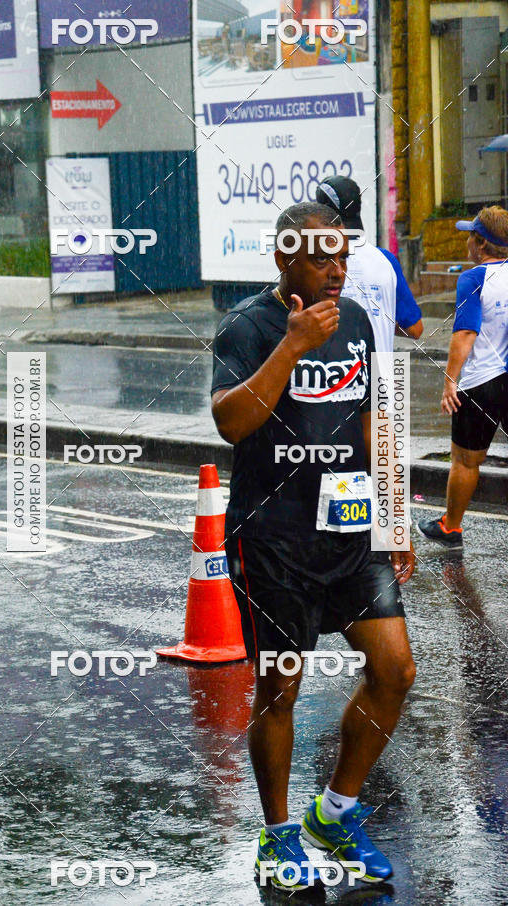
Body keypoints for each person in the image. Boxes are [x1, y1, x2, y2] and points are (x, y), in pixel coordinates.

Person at [211, 202, 416, 891]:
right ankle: (277, 839)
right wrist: (293, 345)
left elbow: (372, 419)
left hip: (351, 530)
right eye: (322, 257)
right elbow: (231, 423)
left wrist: (392, 512)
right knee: (280, 689)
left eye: (342, 255)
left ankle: (336, 811)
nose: (338, 269)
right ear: (284, 260)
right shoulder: (247, 326)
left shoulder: (356, 320)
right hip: (275, 538)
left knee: (394, 670)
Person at [418, 206, 508, 548]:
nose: (468, 242)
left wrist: (449, 381)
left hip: (479, 384)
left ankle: (451, 527)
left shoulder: (472, 279)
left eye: (471, 236)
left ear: (481, 244)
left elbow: (465, 335)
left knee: (466, 460)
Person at [316, 175, 423, 352]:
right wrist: (378, 325)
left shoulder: (319, 264)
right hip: (384, 375)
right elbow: (416, 329)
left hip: (342, 375)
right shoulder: (387, 260)